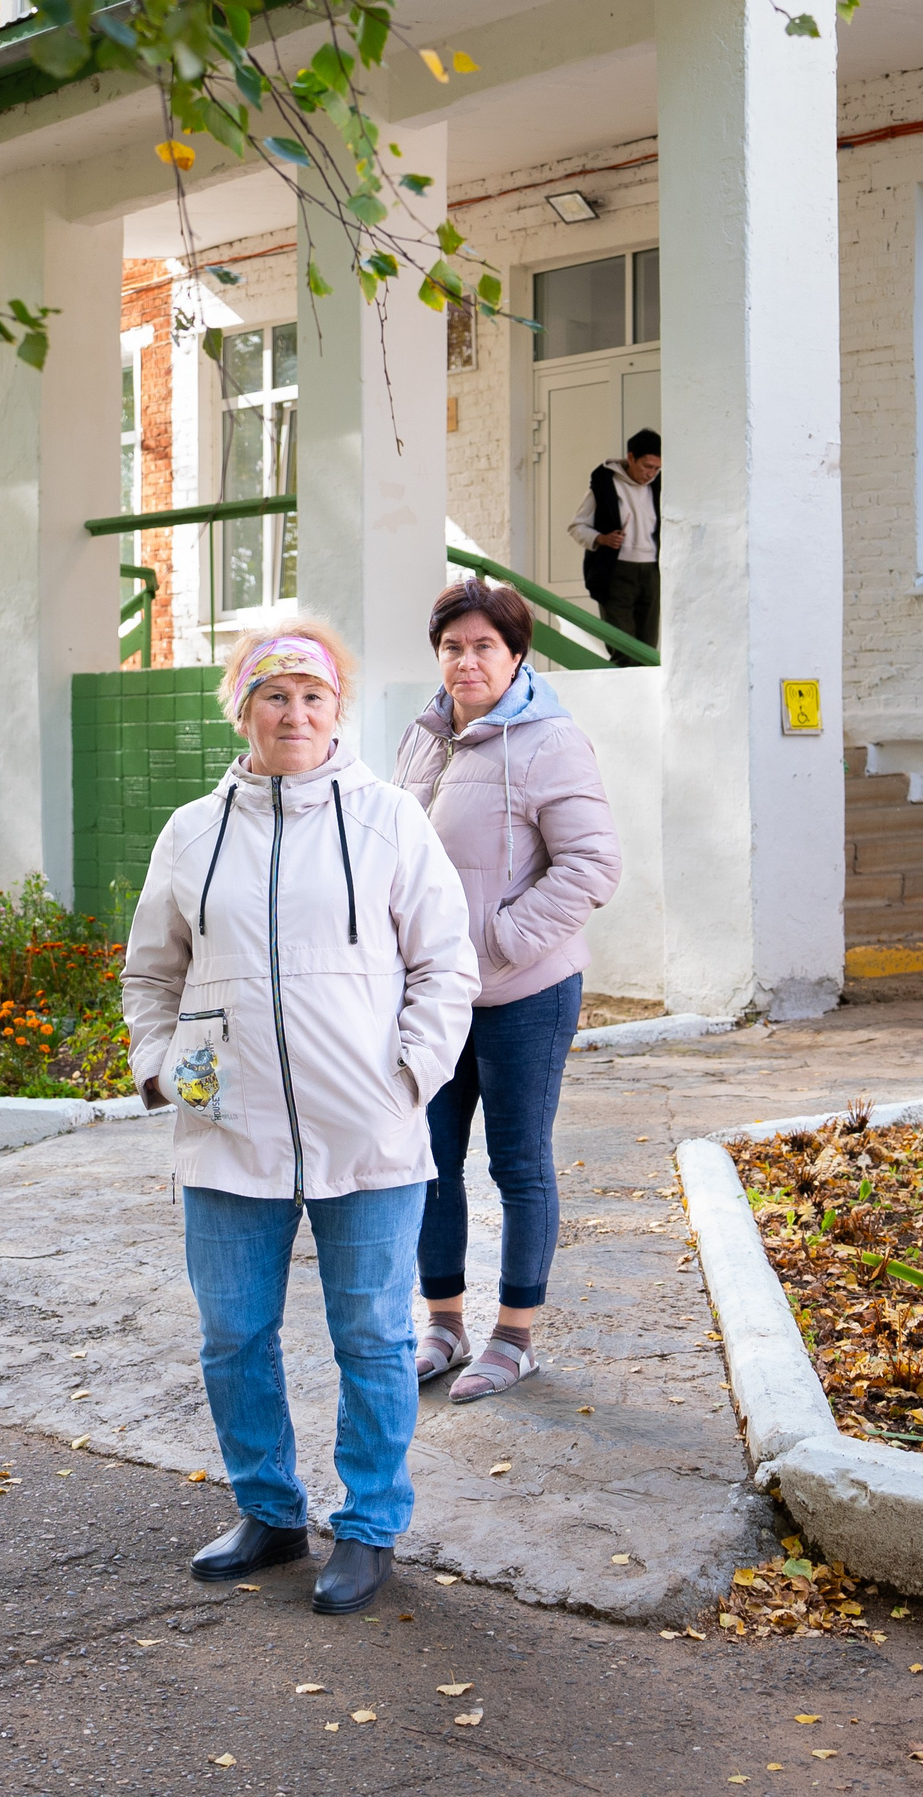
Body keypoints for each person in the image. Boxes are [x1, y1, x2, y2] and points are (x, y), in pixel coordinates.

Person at [123, 619, 477, 1616]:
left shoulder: (390, 820)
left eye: (313, 696)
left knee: (371, 1336)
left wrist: (408, 1076)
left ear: (337, 710)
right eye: (274, 695)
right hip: (226, 1131)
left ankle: (369, 1527)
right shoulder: (192, 831)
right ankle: (269, 1511)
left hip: (367, 1128)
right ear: (242, 710)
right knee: (233, 1334)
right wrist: (164, 1070)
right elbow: (150, 973)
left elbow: (446, 964)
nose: (295, 713)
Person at [393, 579, 621, 1401]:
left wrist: (496, 940)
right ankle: (444, 1325)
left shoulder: (550, 741)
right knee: (428, 1161)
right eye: (453, 646)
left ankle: (514, 1337)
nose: (467, 661)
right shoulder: (424, 738)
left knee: (518, 1164)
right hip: (435, 996)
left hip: (526, 991)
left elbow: (592, 865)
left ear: (517, 655)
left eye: (484, 646)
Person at [567, 427, 663, 653]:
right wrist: (601, 538)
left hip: (652, 571)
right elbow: (576, 527)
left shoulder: (659, 487)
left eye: (657, 468)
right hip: (616, 571)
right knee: (622, 648)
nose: (651, 473)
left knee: (648, 648)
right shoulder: (605, 484)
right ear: (631, 457)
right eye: (647, 466)